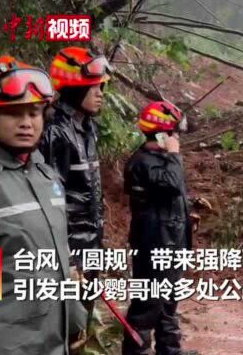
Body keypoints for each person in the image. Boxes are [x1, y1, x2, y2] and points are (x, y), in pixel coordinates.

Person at [0, 56, 79, 354]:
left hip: (53, 339)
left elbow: (57, 258)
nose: (26, 123)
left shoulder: (45, 175)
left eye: (34, 112)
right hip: (7, 345)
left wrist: (74, 317)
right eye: (13, 113)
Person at [39, 47, 111, 319]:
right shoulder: (55, 131)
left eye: (102, 86)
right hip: (69, 251)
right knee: (66, 322)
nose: (100, 93)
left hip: (91, 244)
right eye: (94, 87)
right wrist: (67, 259)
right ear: (73, 88)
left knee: (82, 320)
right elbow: (50, 201)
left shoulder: (87, 127)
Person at [123, 100, 193, 355]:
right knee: (147, 303)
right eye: (174, 133)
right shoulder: (143, 162)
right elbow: (172, 184)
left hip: (171, 241)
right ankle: (137, 352)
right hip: (154, 244)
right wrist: (174, 154)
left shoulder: (159, 161)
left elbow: (171, 195)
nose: (177, 139)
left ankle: (170, 349)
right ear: (163, 134)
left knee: (168, 301)